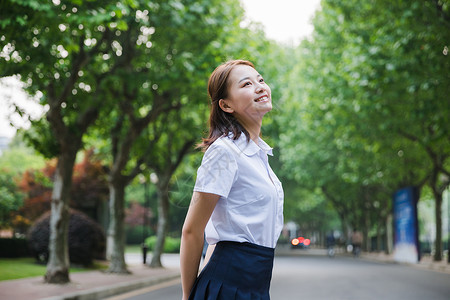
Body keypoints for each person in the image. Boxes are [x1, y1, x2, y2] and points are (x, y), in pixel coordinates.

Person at [180, 60, 284, 300]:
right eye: (246, 84)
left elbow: (219, 229)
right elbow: (192, 231)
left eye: (260, 80)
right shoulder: (224, 152)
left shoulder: (259, 156)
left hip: (256, 285)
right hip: (228, 287)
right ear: (226, 105)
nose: (259, 86)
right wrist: (188, 297)